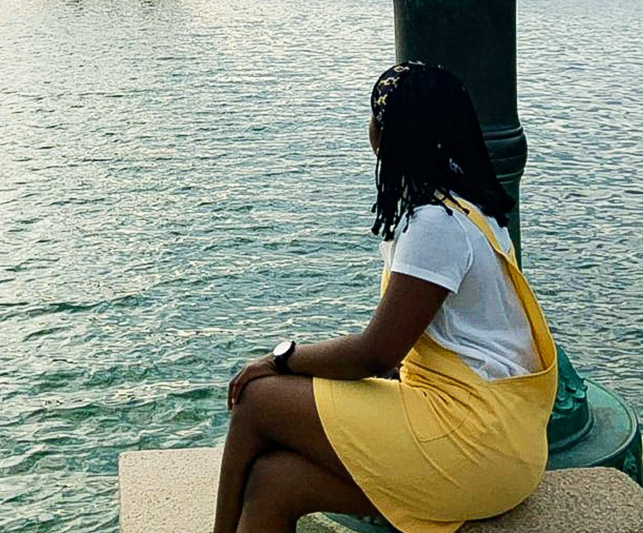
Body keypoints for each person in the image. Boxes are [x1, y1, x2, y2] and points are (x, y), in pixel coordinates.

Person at [213, 62, 557, 533]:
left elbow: (375, 353)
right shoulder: (474, 209)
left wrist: (279, 359)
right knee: (276, 480)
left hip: (474, 441)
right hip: (507, 447)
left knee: (257, 400)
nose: (371, 126)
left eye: (377, 115)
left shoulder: (435, 224)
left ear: (393, 134)